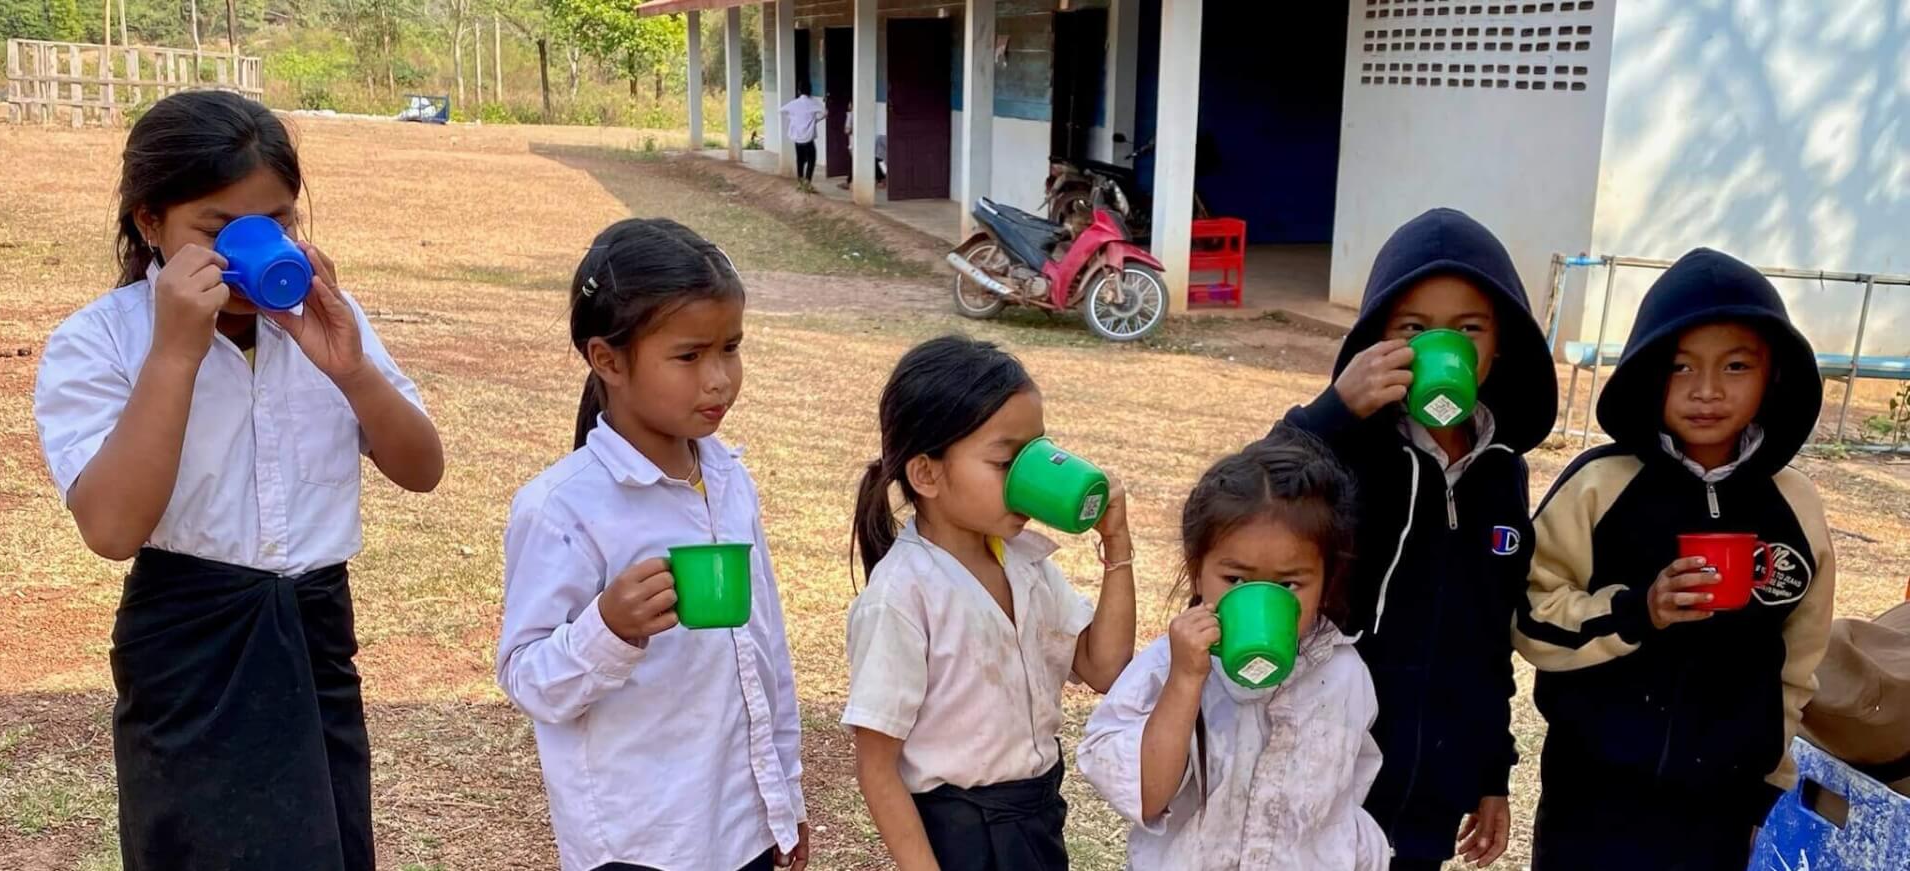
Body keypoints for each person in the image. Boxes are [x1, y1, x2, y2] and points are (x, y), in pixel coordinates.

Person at [32, 90, 443, 871]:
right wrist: (174, 353)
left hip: (316, 633)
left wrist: (352, 369)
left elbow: (422, 468)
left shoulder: (328, 320)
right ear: (151, 223)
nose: (252, 251)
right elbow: (112, 528)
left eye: (278, 223)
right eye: (218, 231)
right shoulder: (101, 341)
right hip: (190, 649)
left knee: (332, 847)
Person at [495, 219, 809, 871]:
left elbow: (766, 649)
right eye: (689, 356)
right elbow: (528, 679)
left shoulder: (729, 480)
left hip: (740, 827)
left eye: (731, 348)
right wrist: (607, 628)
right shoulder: (563, 508)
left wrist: (784, 796)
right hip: (638, 841)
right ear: (607, 359)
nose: (719, 379)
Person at [1513, 248, 1836, 871]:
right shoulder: (1598, 486)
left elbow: (1799, 662)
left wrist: (1767, 786)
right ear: (1645, 373)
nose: (1706, 391)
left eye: (1736, 366)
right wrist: (1639, 612)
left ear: (1773, 375)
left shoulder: (1794, 505)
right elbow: (1530, 615)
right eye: (1680, 367)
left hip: (1721, 807)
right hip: (1593, 798)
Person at [1274, 207, 1558, 869]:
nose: (1442, 344)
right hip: (1329, 768)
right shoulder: (1345, 450)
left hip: (1436, 781)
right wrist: (1331, 413)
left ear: (1498, 345)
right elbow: (1248, 503)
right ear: (1377, 339)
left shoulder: (1502, 472)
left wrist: (1491, 770)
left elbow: (1491, 634)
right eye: (1414, 328)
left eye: (1468, 328)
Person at [845, 335, 1138, 870]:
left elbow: (1104, 668)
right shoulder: (902, 596)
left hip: (1036, 821)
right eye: (1007, 462)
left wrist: (1117, 548)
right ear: (926, 474)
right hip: (960, 838)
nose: (1029, 478)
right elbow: (877, 766)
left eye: (1036, 455)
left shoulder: (1026, 563)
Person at [1077, 431, 1391, 870]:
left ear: (1327, 581)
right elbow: (1147, 796)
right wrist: (1185, 680)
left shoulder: (1343, 673)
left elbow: (1340, 809)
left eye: (1288, 584)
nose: (1261, 600)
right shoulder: (1166, 665)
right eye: (1236, 581)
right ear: (1197, 571)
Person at [779, 84, 826, 192]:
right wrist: (815, 120)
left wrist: (792, 118)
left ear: (799, 91)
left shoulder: (794, 103)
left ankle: (800, 183)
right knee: (811, 160)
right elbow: (825, 112)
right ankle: (807, 183)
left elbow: (781, 110)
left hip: (797, 138)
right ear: (810, 91)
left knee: (800, 160)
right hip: (808, 138)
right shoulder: (812, 103)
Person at [841, 103, 887, 191]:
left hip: (857, 142)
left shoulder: (851, 114)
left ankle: (850, 181)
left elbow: (847, 130)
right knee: (876, 160)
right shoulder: (865, 113)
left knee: (855, 162)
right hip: (871, 139)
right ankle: (882, 178)